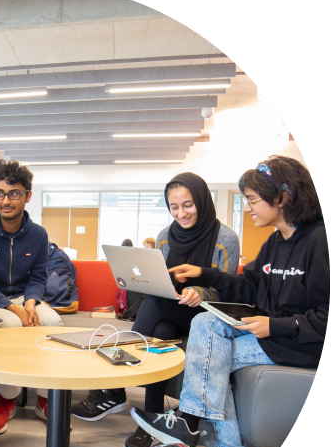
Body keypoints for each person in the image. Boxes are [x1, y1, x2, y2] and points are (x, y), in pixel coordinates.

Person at [131, 156, 327, 447]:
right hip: (275, 337)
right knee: (207, 325)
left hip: (300, 345)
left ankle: (206, 437)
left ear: (281, 197)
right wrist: (203, 274)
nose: (248, 207)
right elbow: (245, 285)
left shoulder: (319, 242)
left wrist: (274, 326)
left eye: (252, 199)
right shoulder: (276, 242)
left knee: (208, 343)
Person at [71, 173, 239, 433]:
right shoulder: (164, 236)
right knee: (160, 330)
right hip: (170, 310)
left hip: (204, 318)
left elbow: (226, 292)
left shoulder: (225, 238)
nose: (181, 213)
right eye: (174, 207)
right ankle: (149, 423)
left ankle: (114, 389)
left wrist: (200, 292)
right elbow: (156, 276)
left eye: (188, 205)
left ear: (203, 201)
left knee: (155, 306)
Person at [0, 159, 63, 435]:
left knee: (52, 322)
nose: (6, 200)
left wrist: (30, 302)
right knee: (10, 325)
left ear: (27, 196)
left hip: (24, 297)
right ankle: (6, 399)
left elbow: (39, 278)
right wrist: (14, 309)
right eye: (0, 193)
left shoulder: (38, 235)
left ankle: (44, 398)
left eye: (14, 193)